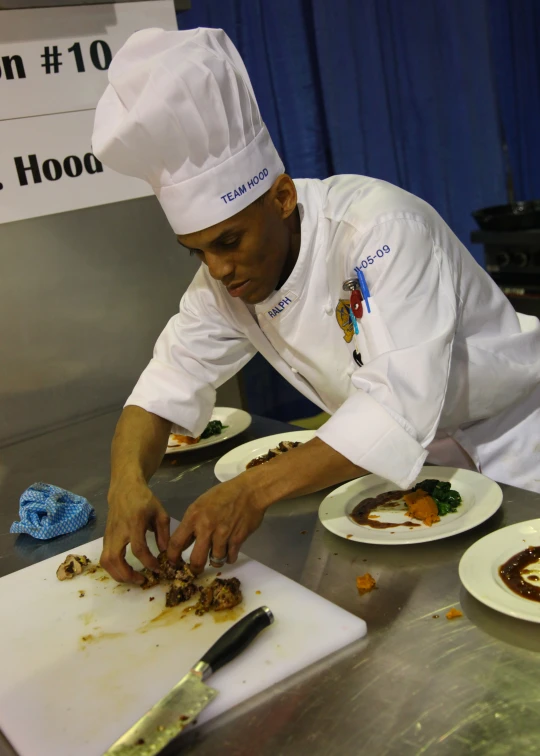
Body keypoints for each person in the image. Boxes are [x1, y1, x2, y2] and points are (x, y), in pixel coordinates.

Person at [92, 27, 540, 584]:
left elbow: (394, 407)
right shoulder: (224, 284)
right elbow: (163, 386)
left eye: (229, 242)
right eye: (197, 252)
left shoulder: (380, 229)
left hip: (519, 450)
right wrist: (125, 487)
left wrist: (251, 490)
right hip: (408, 479)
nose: (218, 269)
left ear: (282, 198)